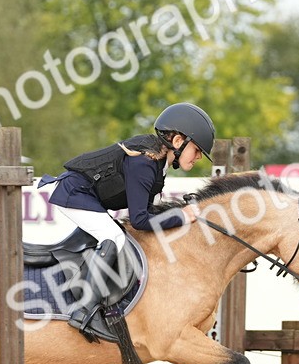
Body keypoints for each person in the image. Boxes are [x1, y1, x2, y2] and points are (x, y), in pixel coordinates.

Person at [37, 102, 214, 332]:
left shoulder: (159, 164)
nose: (198, 157)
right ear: (178, 141)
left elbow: (147, 214)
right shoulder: (144, 162)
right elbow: (140, 221)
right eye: (197, 150)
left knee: (118, 235)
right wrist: (181, 216)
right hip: (74, 193)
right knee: (114, 237)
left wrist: (178, 214)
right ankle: (84, 311)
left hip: (85, 194)